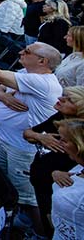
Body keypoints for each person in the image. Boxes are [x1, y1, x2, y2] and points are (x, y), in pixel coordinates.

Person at [0, 22, 63, 233]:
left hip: (23, 149)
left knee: (28, 196)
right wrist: (0, 94)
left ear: (42, 61)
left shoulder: (43, 82)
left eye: (27, 51)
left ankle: (38, 232)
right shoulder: (28, 73)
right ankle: (16, 218)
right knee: (7, 186)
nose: (21, 51)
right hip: (7, 140)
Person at [24, 88, 84, 237]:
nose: (61, 98)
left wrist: (57, 173)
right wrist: (40, 137)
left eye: (69, 99)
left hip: (60, 190)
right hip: (41, 180)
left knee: (55, 223)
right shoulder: (60, 118)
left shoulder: (79, 134)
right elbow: (27, 133)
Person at [50, 119, 84, 240]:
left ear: (79, 145)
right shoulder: (80, 167)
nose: (59, 143)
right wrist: (56, 173)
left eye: (64, 140)